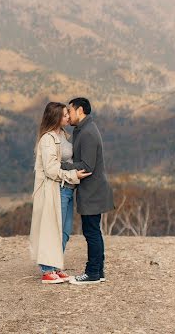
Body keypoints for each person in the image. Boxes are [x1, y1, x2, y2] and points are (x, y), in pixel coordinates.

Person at [29, 101, 91, 283]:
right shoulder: (48, 139)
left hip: (68, 189)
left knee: (64, 231)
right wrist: (73, 175)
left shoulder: (63, 135)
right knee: (53, 229)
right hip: (56, 188)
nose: (68, 117)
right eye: (64, 115)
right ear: (56, 117)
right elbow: (50, 169)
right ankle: (47, 269)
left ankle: (55, 266)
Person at [61, 97, 115, 284]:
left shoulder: (88, 133)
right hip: (91, 191)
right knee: (93, 231)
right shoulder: (82, 130)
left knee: (91, 232)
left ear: (80, 110)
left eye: (71, 110)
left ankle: (92, 272)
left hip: (93, 191)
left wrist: (61, 166)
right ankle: (98, 272)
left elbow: (87, 166)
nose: (69, 114)